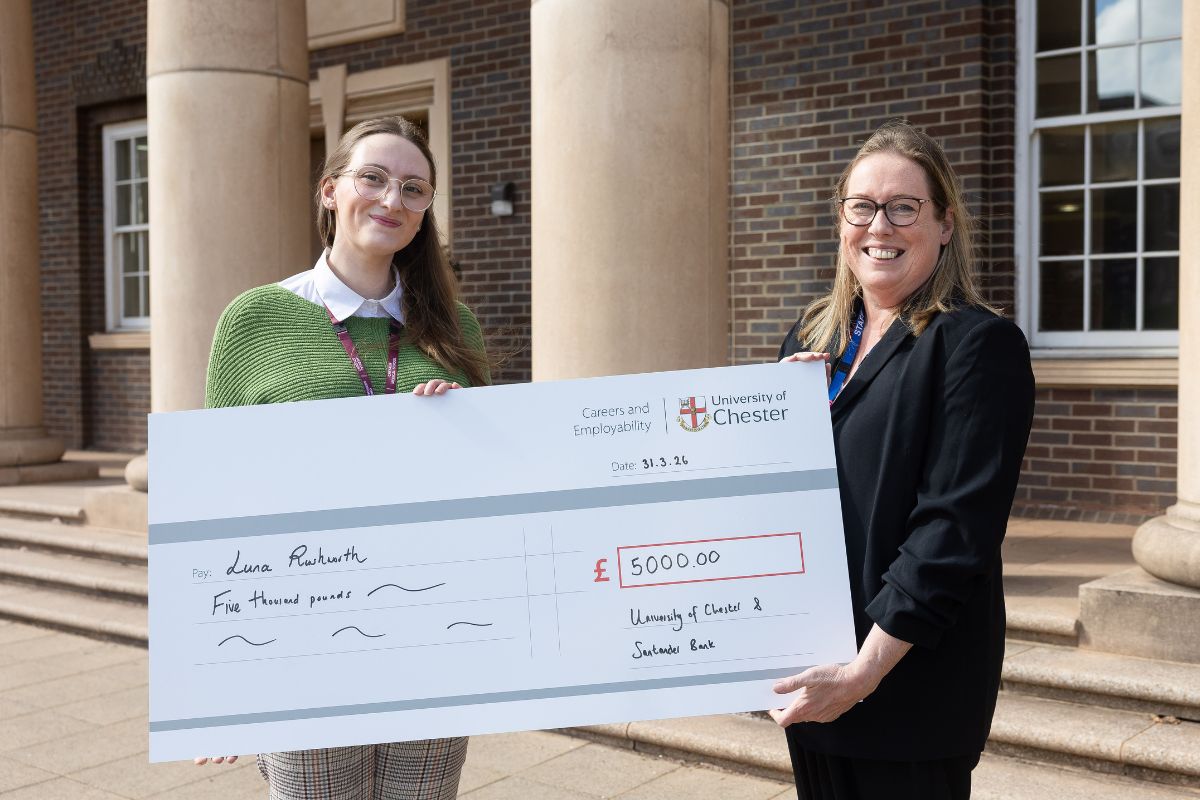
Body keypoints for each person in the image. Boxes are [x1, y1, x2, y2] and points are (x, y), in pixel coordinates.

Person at [196, 116, 488, 799]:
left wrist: (463, 432)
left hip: (432, 634)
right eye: (374, 179)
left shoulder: (455, 328)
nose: (392, 200)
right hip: (306, 634)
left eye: (414, 189)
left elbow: (488, 492)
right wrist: (218, 676)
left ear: (424, 215)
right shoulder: (254, 319)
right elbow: (220, 501)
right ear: (331, 191)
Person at [773, 120, 1034, 800]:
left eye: (903, 207)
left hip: (906, 688)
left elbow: (955, 530)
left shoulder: (976, 345)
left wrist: (864, 670)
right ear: (842, 221)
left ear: (945, 225)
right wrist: (772, 420)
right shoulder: (812, 341)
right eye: (862, 206)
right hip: (814, 673)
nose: (878, 225)